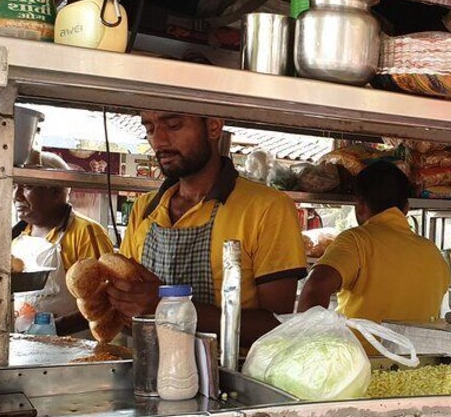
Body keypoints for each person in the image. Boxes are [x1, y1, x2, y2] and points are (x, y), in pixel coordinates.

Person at [110, 112, 307, 345]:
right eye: (150, 129)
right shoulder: (145, 208)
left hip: (229, 377)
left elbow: (277, 326)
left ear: (214, 127)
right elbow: (125, 301)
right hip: (149, 367)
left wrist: (168, 306)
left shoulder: (267, 207)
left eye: (173, 125)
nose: (159, 141)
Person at [297, 161, 449, 332]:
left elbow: (315, 286)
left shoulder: (356, 240)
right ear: (406, 208)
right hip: (419, 358)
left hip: (360, 357)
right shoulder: (432, 251)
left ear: (360, 205)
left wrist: (305, 346)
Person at [12, 159, 114, 336]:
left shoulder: (87, 232)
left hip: (74, 347)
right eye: (15, 186)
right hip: (24, 347)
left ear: (56, 191)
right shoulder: (17, 236)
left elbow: (105, 301)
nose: (16, 195)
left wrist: (53, 329)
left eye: (27, 187)